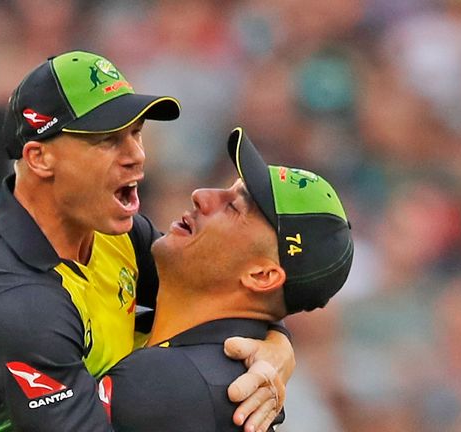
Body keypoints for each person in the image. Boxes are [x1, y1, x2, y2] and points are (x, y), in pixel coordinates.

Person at [0, 50, 296, 432]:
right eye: (107, 140)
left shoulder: (113, 232)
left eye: (136, 133)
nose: (137, 155)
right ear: (39, 158)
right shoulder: (16, 302)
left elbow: (225, 291)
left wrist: (278, 349)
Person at [100, 126, 353, 431]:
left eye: (233, 207)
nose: (201, 195)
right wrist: (278, 339)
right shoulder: (211, 368)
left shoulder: (169, 382)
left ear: (262, 275)